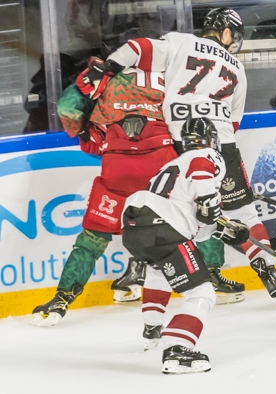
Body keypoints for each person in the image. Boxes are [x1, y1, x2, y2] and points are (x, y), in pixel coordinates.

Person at [77, 7, 276, 308]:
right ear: (227, 32)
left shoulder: (181, 42)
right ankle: (270, 276)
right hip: (221, 144)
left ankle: (140, 270)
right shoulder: (237, 67)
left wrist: (108, 69)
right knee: (243, 215)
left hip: (178, 143)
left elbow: (138, 48)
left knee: (164, 210)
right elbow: (233, 122)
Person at [30, 67, 178, 326]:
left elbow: (67, 107)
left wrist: (92, 139)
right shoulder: (176, 70)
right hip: (163, 163)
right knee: (195, 222)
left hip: (117, 163)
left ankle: (61, 299)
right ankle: (211, 277)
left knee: (93, 238)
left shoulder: (104, 72)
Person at [122, 117, 249, 374]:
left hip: (133, 226)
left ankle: (152, 328)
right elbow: (202, 169)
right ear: (212, 139)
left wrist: (217, 228)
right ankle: (177, 349)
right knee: (202, 293)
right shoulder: (207, 155)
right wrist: (209, 201)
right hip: (164, 225)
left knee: (159, 268)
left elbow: (193, 228)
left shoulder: (170, 166)